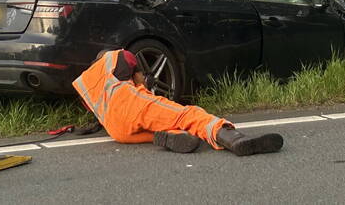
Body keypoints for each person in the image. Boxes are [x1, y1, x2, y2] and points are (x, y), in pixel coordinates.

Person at [72, 49, 283, 156]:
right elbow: (138, 82)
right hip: (132, 106)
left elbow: (97, 112)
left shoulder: (86, 82)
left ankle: (177, 138)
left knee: (168, 127)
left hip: (117, 131)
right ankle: (235, 139)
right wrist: (146, 81)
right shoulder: (116, 56)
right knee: (187, 114)